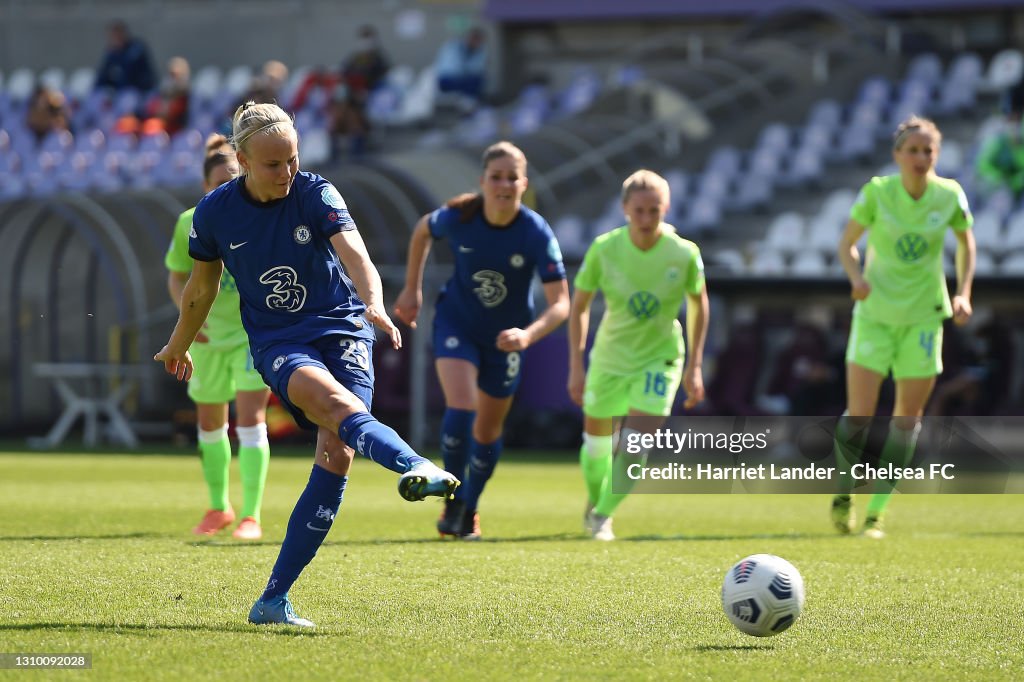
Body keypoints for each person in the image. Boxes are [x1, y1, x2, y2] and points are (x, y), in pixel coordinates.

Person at [155, 101, 458, 628]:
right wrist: (178, 343)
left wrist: (374, 303)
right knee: (333, 404)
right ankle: (415, 464)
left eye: (292, 159)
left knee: (336, 450)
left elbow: (355, 252)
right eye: (273, 165)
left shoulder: (316, 191)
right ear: (244, 160)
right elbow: (200, 288)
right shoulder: (213, 213)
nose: (286, 173)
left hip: (344, 328)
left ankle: (273, 599)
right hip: (278, 341)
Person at [393, 141, 569, 540]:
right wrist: (411, 290)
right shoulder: (459, 218)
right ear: (482, 181)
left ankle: (469, 505)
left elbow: (561, 304)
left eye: (512, 178)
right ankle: (452, 502)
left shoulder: (535, 231)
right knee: (462, 406)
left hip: (506, 342)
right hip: (457, 324)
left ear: (524, 183)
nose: (504, 185)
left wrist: (528, 334)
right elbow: (422, 229)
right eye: (496, 177)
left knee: (487, 434)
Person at [832, 116, 975, 539]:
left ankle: (876, 512)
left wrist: (963, 291)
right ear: (896, 155)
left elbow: (967, 243)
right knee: (859, 415)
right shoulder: (878, 192)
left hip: (923, 319)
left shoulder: (949, 195)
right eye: (912, 150)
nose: (920, 157)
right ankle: (844, 491)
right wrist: (856, 277)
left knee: (906, 420)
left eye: (927, 150)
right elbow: (846, 244)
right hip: (875, 316)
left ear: (937, 155)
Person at [567, 169, 709, 541]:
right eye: (639, 211)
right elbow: (579, 306)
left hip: (659, 358)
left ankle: (602, 516)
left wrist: (694, 366)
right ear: (625, 208)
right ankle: (597, 500)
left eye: (654, 210)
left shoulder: (684, 253)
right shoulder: (604, 248)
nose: (646, 219)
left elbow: (699, 305)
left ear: (667, 208)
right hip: (610, 357)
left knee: (635, 444)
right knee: (596, 447)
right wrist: (575, 366)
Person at [164, 134, 270, 540]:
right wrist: (190, 323)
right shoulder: (189, 223)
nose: (227, 188)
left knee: (251, 420)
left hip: (249, 336)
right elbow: (177, 277)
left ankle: (251, 516)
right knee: (209, 422)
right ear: (205, 187)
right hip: (208, 340)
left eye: (234, 179)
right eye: (218, 182)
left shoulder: (259, 217)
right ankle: (217, 508)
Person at [94, 20, 156, 93]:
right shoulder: (112, 52)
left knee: (129, 98)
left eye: (117, 36)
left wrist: (116, 53)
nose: (115, 40)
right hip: (120, 90)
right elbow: (103, 75)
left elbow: (129, 73)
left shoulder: (136, 48)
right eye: (112, 37)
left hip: (140, 89)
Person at [435, 26, 487, 105]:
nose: (476, 42)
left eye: (478, 41)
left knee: (477, 80)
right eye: (474, 39)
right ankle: (467, 103)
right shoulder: (453, 46)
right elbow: (450, 69)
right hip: (447, 79)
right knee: (472, 81)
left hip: (462, 79)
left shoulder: (479, 51)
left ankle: (469, 103)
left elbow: (477, 69)